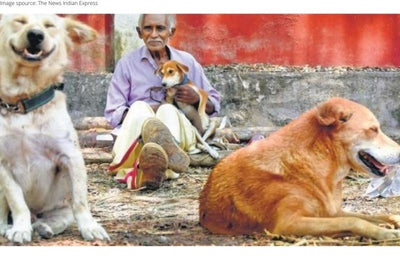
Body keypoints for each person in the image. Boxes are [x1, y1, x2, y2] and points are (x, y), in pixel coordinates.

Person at [105, 14, 221, 190]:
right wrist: (151, 114)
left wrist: (196, 98)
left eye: (160, 28)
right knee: (139, 107)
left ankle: (151, 164)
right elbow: (113, 113)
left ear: (171, 32)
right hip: (137, 133)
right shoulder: (127, 64)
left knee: (168, 111)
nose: (153, 34)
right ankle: (160, 164)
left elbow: (214, 105)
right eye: (147, 28)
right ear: (139, 33)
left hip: (179, 127)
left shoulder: (186, 61)